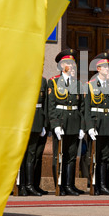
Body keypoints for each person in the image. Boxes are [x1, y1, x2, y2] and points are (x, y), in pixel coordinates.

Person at [48, 49, 85, 196]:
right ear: (62, 65)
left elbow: (81, 107)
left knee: (71, 155)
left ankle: (69, 185)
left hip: (74, 121)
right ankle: (59, 185)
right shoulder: (54, 82)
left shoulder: (77, 84)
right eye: (68, 63)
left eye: (73, 63)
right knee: (59, 155)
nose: (72, 65)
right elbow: (51, 106)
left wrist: (82, 126)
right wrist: (55, 124)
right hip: (61, 121)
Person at [84, 52, 109, 195]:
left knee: (107, 156)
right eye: (105, 68)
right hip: (96, 125)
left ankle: (105, 185)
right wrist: (89, 127)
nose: (108, 70)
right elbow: (86, 109)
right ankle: (94, 184)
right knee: (94, 156)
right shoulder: (89, 86)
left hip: (108, 125)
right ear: (98, 69)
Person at [18, 76, 48, 196]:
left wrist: (44, 124)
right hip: (23, 120)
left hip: (37, 119)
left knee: (31, 154)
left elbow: (45, 103)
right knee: (22, 155)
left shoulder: (42, 80)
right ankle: (21, 185)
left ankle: (30, 185)